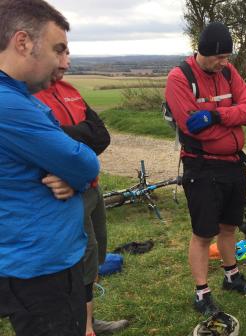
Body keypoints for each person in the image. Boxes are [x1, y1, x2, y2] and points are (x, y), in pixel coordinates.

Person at [0, 1, 100, 335]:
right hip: (40, 271)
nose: (63, 61)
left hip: (37, 261)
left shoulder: (21, 96)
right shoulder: (9, 105)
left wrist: (74, 181)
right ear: (23, 42)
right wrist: (78, 176)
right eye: (57, 49)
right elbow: (84, 162)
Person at [164, 22, 246, 316]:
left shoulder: (228, 72)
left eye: (228, 57)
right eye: (220, 57)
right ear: (205, 52)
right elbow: (193, 129)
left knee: (229, 226)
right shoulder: (179, 78)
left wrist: (216, 115)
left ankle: (231, 276)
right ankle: (201, 293)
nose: (225, 63)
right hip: (201, 167)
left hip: (233, 164)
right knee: (203, 233)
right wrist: (231, 122)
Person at [34, 53, 129, 336]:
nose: (66, 62)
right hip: (64, 193)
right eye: (59, 53)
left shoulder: (70, 90)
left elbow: (101, 135)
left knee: (97, 251)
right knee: (83, 257)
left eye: (68, 54)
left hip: (91, 186)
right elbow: (39, 145)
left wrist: (66, 136)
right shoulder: (27, 96)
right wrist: (79, 136)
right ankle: (84, 327)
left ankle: (86, 318)